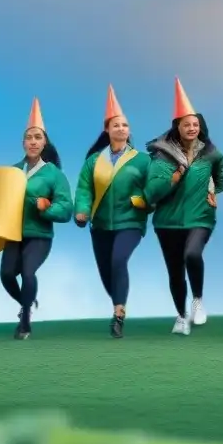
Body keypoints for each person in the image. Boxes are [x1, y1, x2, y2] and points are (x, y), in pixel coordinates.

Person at [144, 78, 223, 335]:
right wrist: (173, 179)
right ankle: (181, 316)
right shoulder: (162, 156)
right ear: (176, 127)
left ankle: (198, 301)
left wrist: (214, 190)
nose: (192, 128)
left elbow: (222, 177)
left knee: (192, 254)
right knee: (174, 271)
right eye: (186, 124)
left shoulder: (211, 153)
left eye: (195, 124)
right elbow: (151, 191)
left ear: (201, 127)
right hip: (167, 221)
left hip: (200, 216)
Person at [74, 85, 151, 338]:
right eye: (116, 125)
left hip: (131, 221)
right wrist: (82, 211)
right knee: (106, 270)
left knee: (119, 260)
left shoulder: (141, 160)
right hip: (101, 225)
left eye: (125, 125)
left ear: (129, 131)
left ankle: (119, 313)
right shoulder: (94, 161)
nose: (121, 129)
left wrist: (143, 200)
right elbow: (84, 188)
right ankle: (117, 300)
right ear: (107, 130)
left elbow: (154, 187)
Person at [1, 98, 73, 339]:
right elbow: (0, 203)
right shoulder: (11, 171)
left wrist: (46, 208)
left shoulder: (54, 174)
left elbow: (66, 209)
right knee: (7, 274)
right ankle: (27, 303)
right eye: (29, 137)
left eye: (38, 138)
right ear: (23, 142)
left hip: (39, 234)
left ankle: (25, 322)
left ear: (44, 143)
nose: (33, 142)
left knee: (28, 272)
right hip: (13, 233)